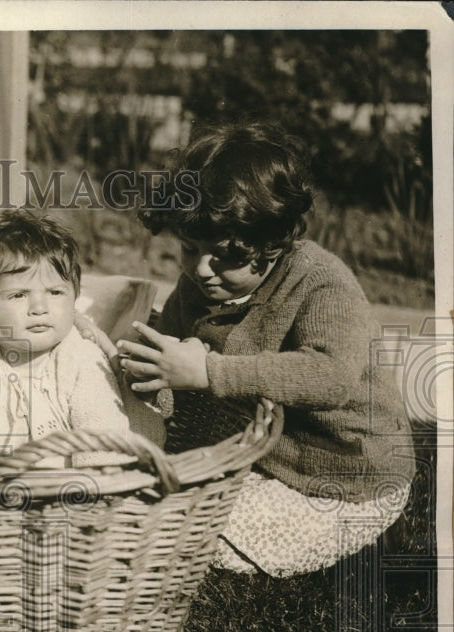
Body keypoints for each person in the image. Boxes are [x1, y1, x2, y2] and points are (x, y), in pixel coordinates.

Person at [120, 121, 414, 577]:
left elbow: (331, 376)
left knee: (189, 535)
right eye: (188, 248)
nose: (202, 269)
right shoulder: (199, 283)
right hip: (268, 457)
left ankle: (366, 534)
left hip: (344, 474)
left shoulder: (320, 281)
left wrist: (209, 373)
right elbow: (168, 361)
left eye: (226, 255)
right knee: (150, 506)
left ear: (273, 243)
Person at [0, 209, 132, 462]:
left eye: (55, 293)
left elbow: (103, 446)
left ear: (74, 300)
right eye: (19, 295)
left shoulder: (84, 359)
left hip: (80, 493)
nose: (39, 308)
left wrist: (88, 494)